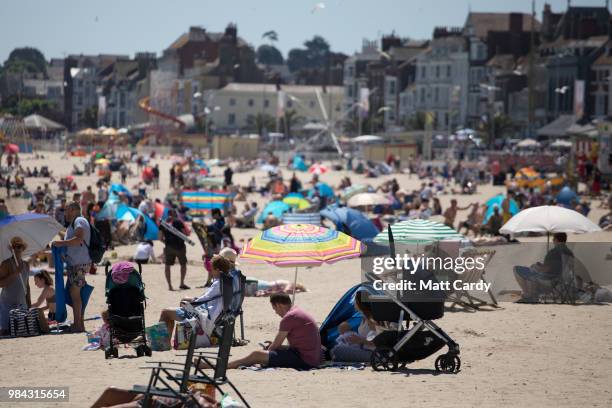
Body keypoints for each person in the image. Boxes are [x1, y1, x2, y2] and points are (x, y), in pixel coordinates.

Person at [197, 293, 321, 370]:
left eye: (274, 309)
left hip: (305, 360)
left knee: (256, 355)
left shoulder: (289, 317)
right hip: (311, 357)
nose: (276, 312)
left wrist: (266, 352)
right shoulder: (297, 311)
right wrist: (273, 348)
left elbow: (275, 347)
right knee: (264, 352)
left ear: (279, 305)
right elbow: (290, 345)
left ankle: (214, 366)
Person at [159, 255, 231, 337]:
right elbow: (207, 298)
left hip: (205, 318)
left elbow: (202, 300)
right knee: (184, 301)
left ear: (217, 270)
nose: (211, 272)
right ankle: (181, 336)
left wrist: (190, 304)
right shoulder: (226, 281)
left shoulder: (218, 284)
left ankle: (163, 343)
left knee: (165, 312)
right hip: (213, 314)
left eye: (212, 269)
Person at [52, 202, 91, 332]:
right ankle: (80, 324)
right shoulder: (73, 224)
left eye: (67, 210)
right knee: (77, 294)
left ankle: (77, 325)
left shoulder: (79, 220)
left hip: (78, 264)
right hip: (75, 264)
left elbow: (79, 239)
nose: (65, 213)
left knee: (75, 294)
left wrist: (61, 243)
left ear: (74, 210)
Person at [514, 233, 574, 303]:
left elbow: (546, 269)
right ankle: (530, 295)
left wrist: (536, 267)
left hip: (550, 280)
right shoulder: (569, 252)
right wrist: (541, 265)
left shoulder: (553, 252)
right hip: (562, 280)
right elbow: (556, 267)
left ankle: (529, 295)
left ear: (556, 240)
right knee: (533, 272)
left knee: (517, 269)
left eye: (553, 239)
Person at [331, 291, 378, 362]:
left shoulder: (371, 320)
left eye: (355, 301)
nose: (353, 304)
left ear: (359, 303)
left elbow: (378, 341)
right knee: (334, 350)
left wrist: (359, 340)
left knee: (336, 350)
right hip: (364, 349)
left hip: (373, 353)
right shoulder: (364, 318)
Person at [0, 237, 31, 335]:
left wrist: (29, 303)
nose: (17, 249)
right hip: (7, 303)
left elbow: (27, 285)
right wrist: (15, 273)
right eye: (14, 247)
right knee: (5, 331)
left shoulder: (26, 264)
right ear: (11, 249)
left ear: (23, 248)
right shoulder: (6, 264)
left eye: (19, 246)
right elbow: (1, 283)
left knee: (22, 330)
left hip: (21, 303)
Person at [159, 209, 190, 291]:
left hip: (169, 247)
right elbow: (185, 234)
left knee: (167, 265)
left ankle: (170, 286)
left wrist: (167, 243)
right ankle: (181, 283)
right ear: (175, 214)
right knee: (183, 264)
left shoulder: (163, 223)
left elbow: (160, 238)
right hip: (180, 246)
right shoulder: (179, 222)